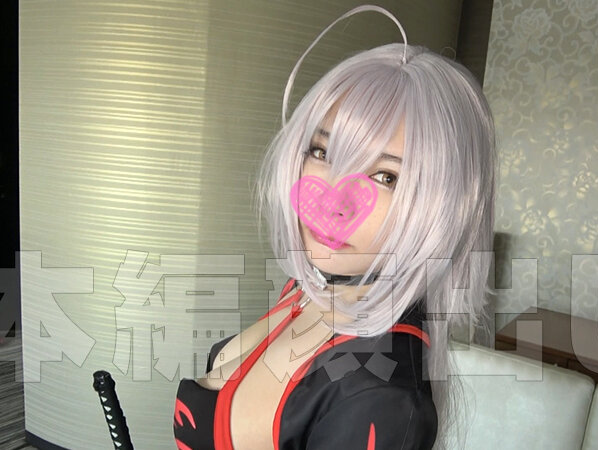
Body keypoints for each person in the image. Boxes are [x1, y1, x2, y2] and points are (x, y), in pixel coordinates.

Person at [173, 5, 495, 450]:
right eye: (323, 152)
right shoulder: (313, 287)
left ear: (444, 203)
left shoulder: (379, 398)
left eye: (385, 177)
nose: (335, 202)